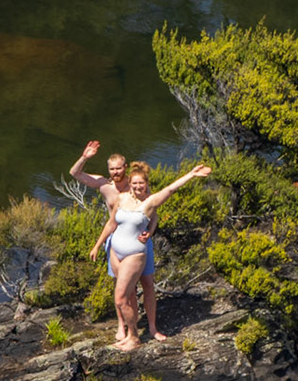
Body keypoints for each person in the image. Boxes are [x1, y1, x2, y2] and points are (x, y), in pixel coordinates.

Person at [89, 160, 211, 350]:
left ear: (146, 184)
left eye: (141, 183)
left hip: (134, 254)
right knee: (125, 296)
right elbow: (111, 224)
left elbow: (170, 189)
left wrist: (191, 174)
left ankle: (135, 338)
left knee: (121, 298)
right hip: (115, 250)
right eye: (135, 183)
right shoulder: (121, 198)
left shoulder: (150, 202)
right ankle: (129, 334)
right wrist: (97, 245)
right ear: (130, 182)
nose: (138, 186)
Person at [70, 141, 165, 341]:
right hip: (117, 240)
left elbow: (154, 213)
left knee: (148, 283)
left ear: (125, 167)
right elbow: (75, 174)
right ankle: (123, 326)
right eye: (111, 169)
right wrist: (85, 157)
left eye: (118, 168)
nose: (115, 172)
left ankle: (152, 327)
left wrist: (151, 231)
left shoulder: (136, 185)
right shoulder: (104, 185)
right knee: (123, 289)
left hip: (140, 240)